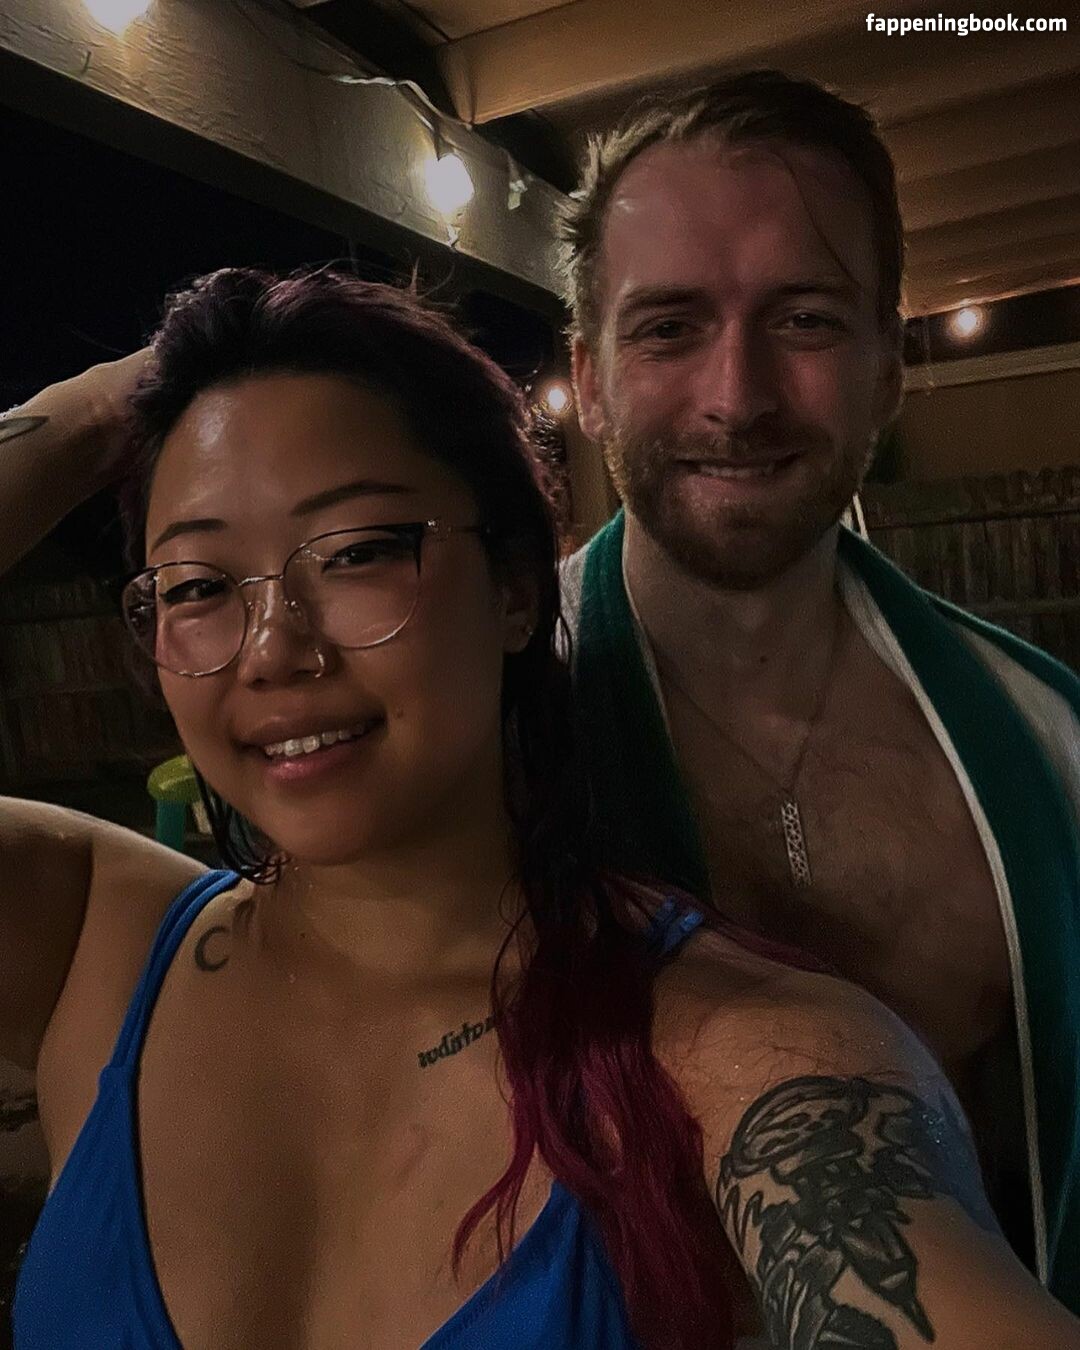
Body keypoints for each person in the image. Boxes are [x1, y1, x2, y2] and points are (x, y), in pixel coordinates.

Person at [1, 267, 1077, 1350]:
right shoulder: (94, 942)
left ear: (517, 586)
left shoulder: (744, 1062)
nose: (275, 650)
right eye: (196, 585)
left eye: (360, 552)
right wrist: (103, 407)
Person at [558, 68, 1080, 1313]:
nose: (736, 399)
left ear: (889, 367)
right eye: (669, 328)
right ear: (590, 378)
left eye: (804, 320)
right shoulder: (478, 733)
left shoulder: (1050, 742)